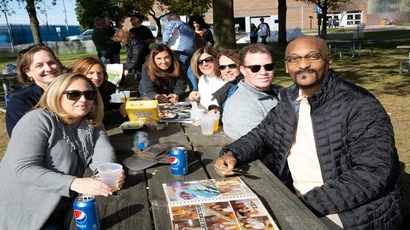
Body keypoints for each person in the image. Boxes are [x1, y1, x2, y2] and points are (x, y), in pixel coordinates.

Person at [214, 36, 404, 229]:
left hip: (354, 210)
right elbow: (262, 134)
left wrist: (302, 204)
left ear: (329, 62)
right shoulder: (289, 100)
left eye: (313, 56)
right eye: (294, 59)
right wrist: (232, 153)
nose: (303, 64)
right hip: (299, 198)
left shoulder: (360, 105)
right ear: (287, 67)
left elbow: (372, 173)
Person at [0, 73, 125, 229]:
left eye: (89, 94)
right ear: (57, 95)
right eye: (73, 94)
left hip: (69, 201)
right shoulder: (38, 120)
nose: (83, 99)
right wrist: (74, 183)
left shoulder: (90, 120)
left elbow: (102, 149)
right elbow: (24, 169)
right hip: (33, 208)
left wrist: (105, 173)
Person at [222, 44, 282, 140]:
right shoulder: (241, 105)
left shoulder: (279, 90)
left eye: (269, 66)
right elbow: (267, 141)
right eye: (255, 68)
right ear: (243, 70)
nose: (263, 72)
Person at [6, 44, 63, 137]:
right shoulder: (20, 102)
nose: (48, 68)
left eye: (51, 62)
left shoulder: (75, 93)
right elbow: (21, 140)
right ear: (28, 71)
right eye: (39, 65)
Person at [67, 56, 128, 125]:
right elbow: (88, 120)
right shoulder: (73, 94)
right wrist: (119, 115)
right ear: (79, 73)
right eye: (91, 73)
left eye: (99, 73)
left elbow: (104, 105)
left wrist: (125, 106)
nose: (96, 77)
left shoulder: (101, 88)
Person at [163, 13, 197, 92]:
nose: (168, 21)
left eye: (168, 20)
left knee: (177, 70)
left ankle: (177, 91)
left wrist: (164, 45)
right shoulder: (187, 26)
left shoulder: (173, 23)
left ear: (172, 18)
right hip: (191, 51)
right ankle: (194, 90)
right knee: (190, 71)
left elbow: (167, 33)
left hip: (180, 50)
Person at [207, 49, 243, 114]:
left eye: (232, 66)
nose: (227, 70)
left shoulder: (247, 88)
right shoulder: (228, 87)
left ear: (241, 66)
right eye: (222, 67)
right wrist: (216, 110)